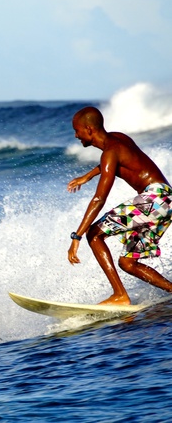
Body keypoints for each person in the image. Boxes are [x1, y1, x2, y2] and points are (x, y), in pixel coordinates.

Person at [67, 106, 172, 305]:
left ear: (89, 129)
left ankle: (120, 296)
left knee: (94, 234)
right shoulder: (118, 139)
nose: (75, 135)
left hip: (153, 199)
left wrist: (77, 236)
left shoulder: (109, 152)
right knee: (128, 263)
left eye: (77, 130)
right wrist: (87, 176)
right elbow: (118, 161)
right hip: (166, 200)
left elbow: (99, 199)